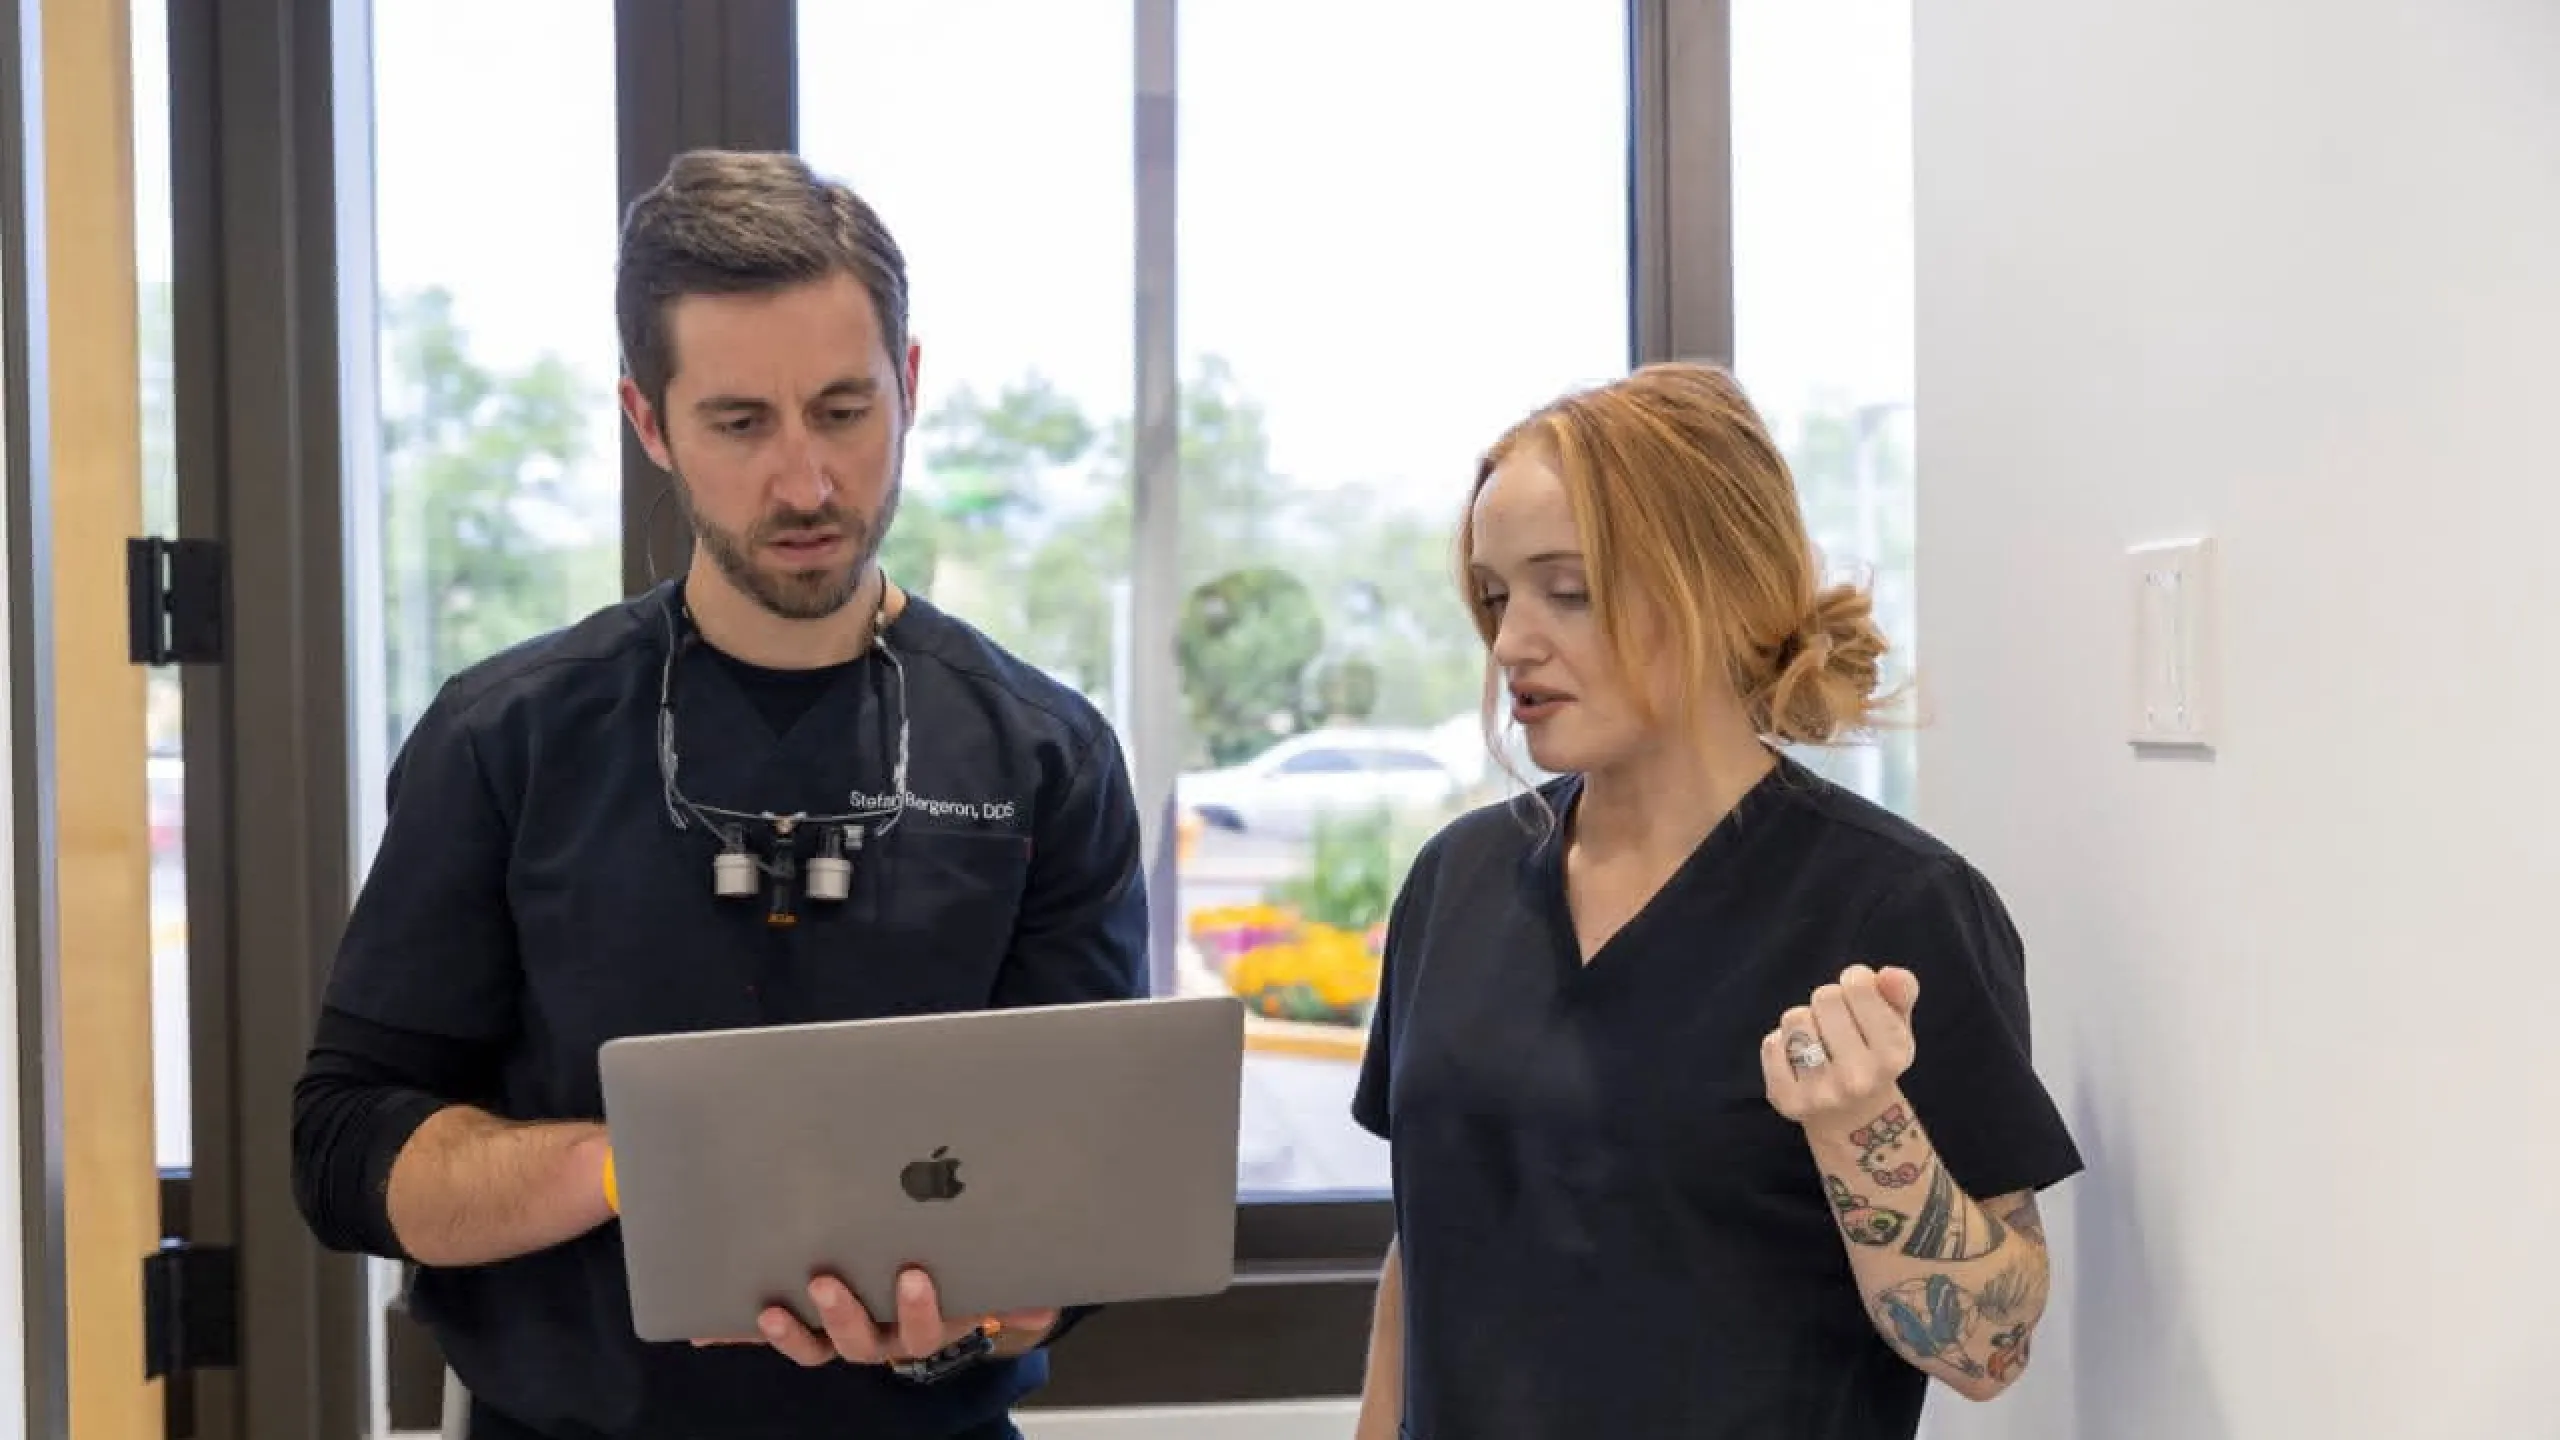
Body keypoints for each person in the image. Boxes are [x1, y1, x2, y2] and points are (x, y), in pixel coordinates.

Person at [291, 150, 1149, 1440]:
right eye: (741, 423)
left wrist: (1000, 1305)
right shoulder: (505, 740)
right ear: (650, 422)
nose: (804, 484)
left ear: (909, 389)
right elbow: (346, 1149)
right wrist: (649, 1165)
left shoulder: (1045, 754)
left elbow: (1080, 1185)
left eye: (845, 412)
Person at [1348, 362, 2085, 1439]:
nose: (1511, 642)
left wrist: (1859, 1125)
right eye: (1498, 595)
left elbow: (1987, 1348)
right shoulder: (1453, 882)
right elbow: (1431, 1246)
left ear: (1717, 587)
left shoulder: (1892, 907)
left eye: (1570, 589)